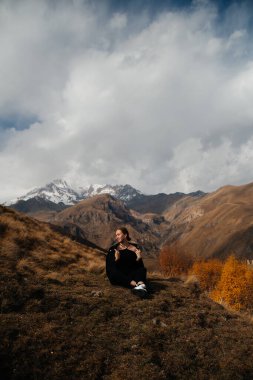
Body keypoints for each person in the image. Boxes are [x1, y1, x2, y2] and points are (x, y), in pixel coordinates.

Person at [106, 227, 148, 298]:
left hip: (131, 273)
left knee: (142, 269)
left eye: (118, 235)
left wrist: (138, 258)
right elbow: (109, 268)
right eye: (116, 235)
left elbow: (139, 266)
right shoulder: (113, 249)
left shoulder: (135, 248)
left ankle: (140, 285)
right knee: (114, 273)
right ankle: (137, 285)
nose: (116, 237)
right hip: (120, 275)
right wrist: (116, 259)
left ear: (125, 235)